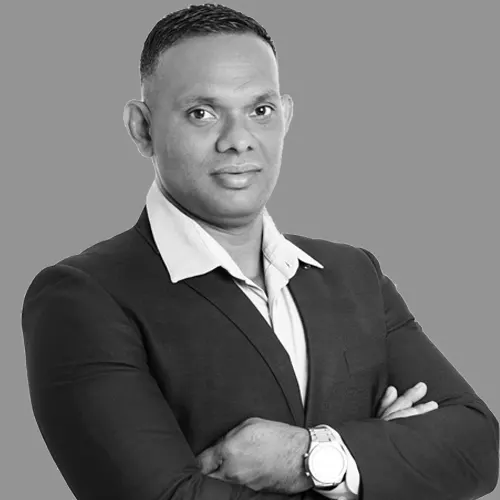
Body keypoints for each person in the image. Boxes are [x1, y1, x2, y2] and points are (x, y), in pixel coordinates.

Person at [22, 4, 498, 500]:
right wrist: (384, 461)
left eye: (260, 111)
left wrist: (311, 456)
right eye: (201, 113)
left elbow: (478, 447)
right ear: (142, 128)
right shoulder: (83, 298)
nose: (238, 140)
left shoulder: (354, 274)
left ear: (285, 117)